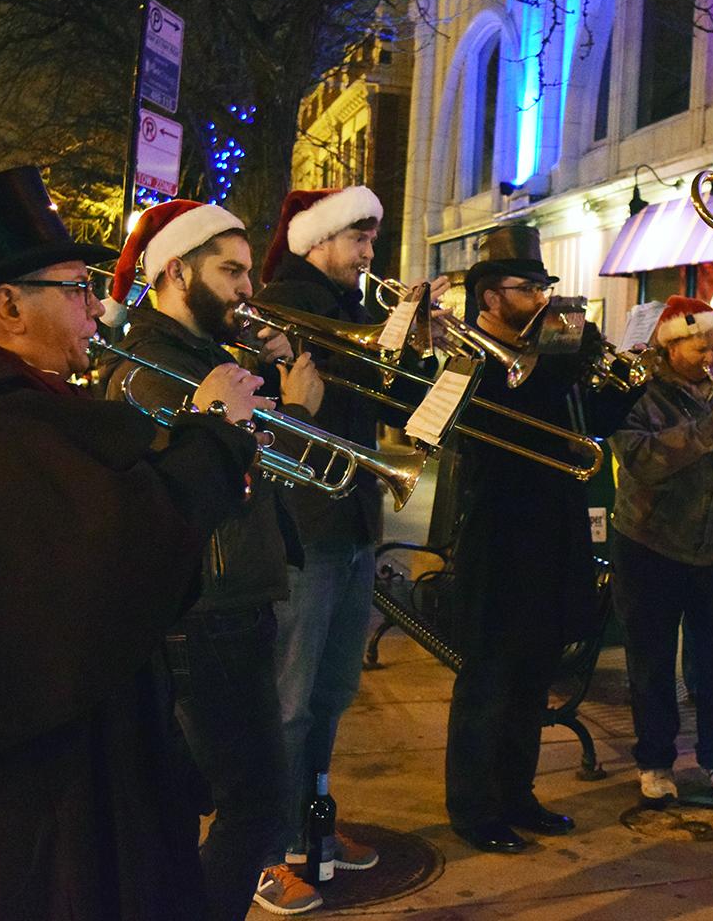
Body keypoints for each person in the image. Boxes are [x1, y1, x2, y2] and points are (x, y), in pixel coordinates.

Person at [0, 166, 265, 921]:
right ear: (8, 305)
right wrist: (212, 437)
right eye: (76, 288)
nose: (97, 308)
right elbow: (120, 549)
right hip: (33, 792)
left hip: (51, 762)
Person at [100, 199, 325, 921]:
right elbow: (197, 491)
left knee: (229, 799)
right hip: (211, 612)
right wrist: (288, 415)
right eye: (229, 271)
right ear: (176, 270)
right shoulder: (155, 367)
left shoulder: (203, 357)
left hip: (232, 601)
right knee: (254, 806)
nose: (245, 287)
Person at [251, 186, 437, 911]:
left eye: (371, 238)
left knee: (331, 696)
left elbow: (398, 409)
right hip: (306, 523)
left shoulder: (359, 312)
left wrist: (419, 343)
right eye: (358, 238)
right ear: (316, 241)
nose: (369, 253)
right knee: (291, 701)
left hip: (354, 516)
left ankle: (313, 832)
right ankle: (266, 851)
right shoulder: (286, 305)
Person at [444, 224, 642, 853]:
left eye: (542, 285)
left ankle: (517, 794)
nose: (539, 297)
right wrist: (546, 372)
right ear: (488, 297)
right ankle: (475, 809)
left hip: (554, 529)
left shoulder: (555, 353)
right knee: (489, 680)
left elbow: (590, 429)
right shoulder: (465, 352)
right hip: (498, 535)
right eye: (525, 287)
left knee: (532, 675)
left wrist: (619, 386)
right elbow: (464, 433)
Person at [608, 295, 713, 804]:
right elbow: (641, 461)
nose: (711, 358)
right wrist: (706, 430)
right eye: (700, 348)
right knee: (651, 660)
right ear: (671, 345)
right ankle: (655, 761)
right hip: (650, 546)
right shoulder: (638, 396)